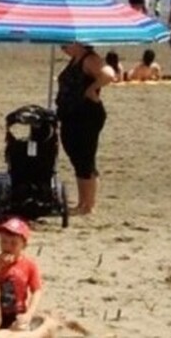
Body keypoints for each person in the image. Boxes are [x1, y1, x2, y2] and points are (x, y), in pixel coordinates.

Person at [55, 42, 113, 215]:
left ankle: (88, 205)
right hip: (71, 114)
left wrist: (92, 89)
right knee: (77, 157)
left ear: (79, 44)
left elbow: (109, 75)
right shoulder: (75, 59)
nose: (63, 47)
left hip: (86, 113)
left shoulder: (90, 59)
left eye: (66, 44)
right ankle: (83, 202)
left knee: (84, 158)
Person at [0, 218, 45, 329]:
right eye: (4, 241)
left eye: (14, 243)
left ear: (23, 245)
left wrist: (29, 314)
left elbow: (37, 290)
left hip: (16, 313)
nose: (7, 247)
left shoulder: (29, 265)